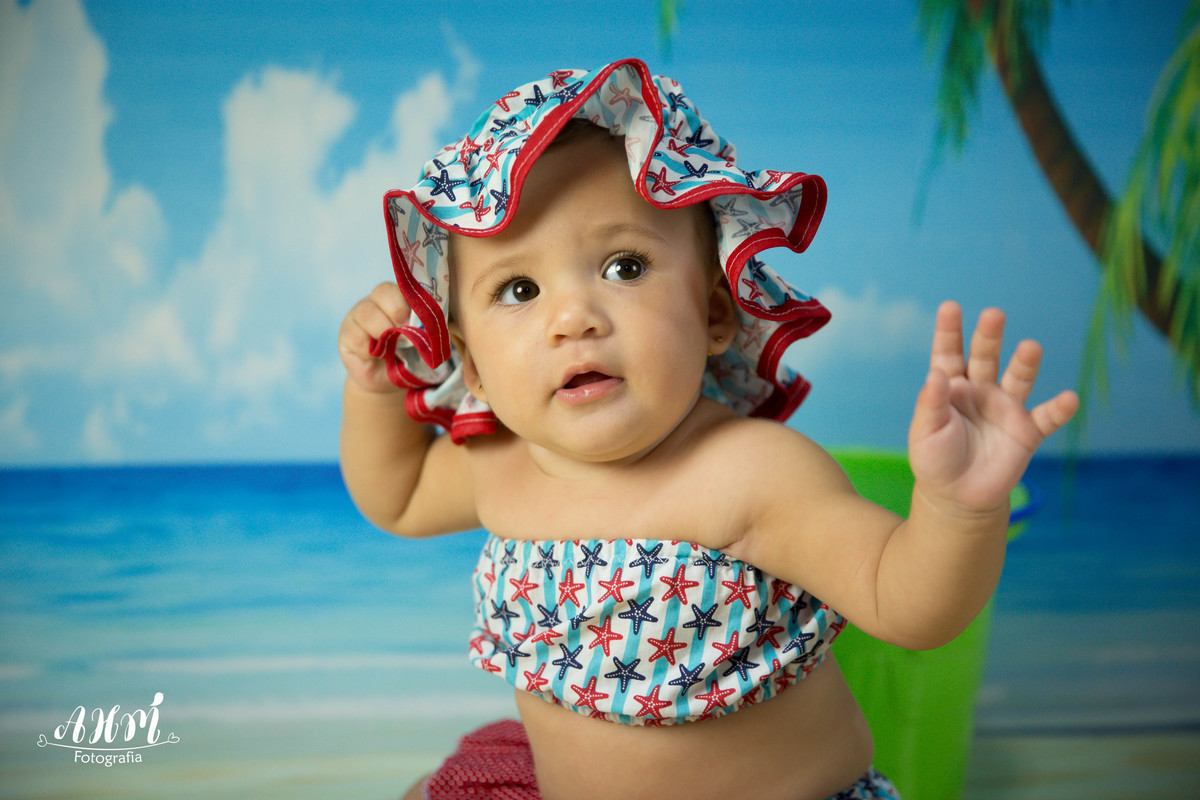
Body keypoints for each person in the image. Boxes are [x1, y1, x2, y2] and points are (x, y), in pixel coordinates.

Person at [338, 58, 1079, 800]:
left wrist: (958, 506)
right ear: (470, 363)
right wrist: (373, 388)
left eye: (625, 267)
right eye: (519, 288)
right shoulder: (499, 464)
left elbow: (907, 605)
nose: (574, 318)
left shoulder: (750, 473)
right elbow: (397, 495)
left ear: (716, 312)